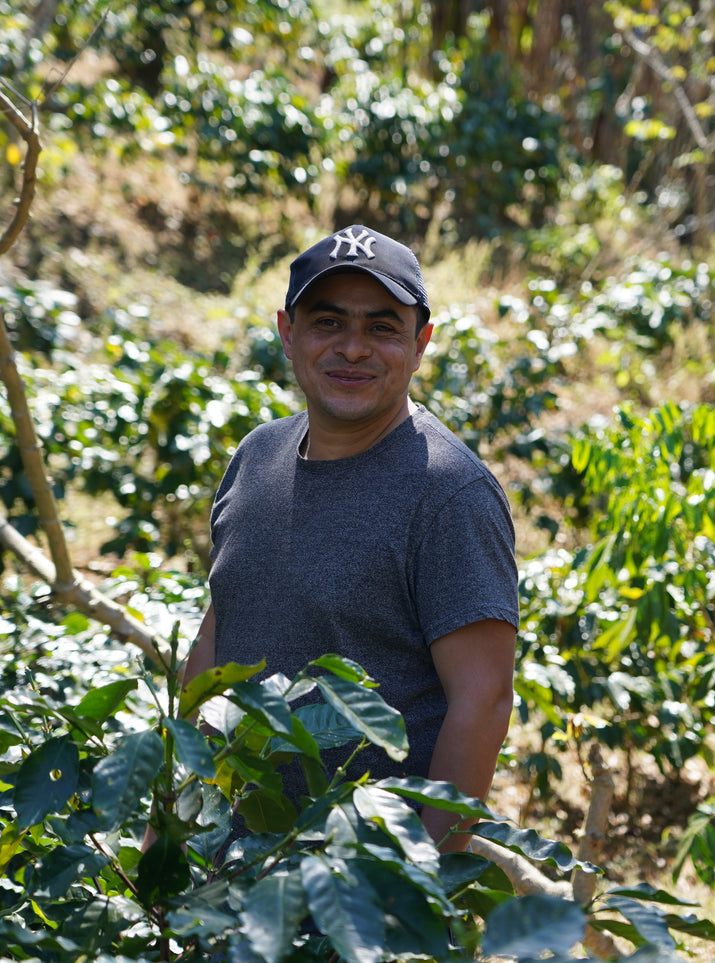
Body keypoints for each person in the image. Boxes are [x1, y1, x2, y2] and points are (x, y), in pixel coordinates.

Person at [182, 225, 519, 852]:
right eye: (328, 323)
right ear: (288, 332)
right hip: (224, 864)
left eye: (383, 328)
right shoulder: (257, 456)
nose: (353, 349)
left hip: (364, 881)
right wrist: (169, 827)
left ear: (420, 344)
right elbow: (216, 633)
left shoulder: (449, 495)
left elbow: (483, 700)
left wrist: (419, 888)